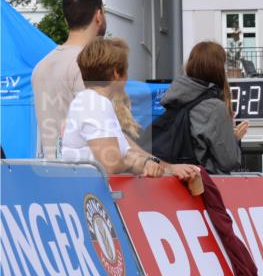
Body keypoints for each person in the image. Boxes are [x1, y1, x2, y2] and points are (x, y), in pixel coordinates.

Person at [58, 37, 198, 183]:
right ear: (116, 74)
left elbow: (131, 149)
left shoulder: (90, 100)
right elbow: (112, 163)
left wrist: (169, 168)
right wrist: (138, 164)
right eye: (126, 69)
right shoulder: (95, 103)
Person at [33, 0, 107, 158]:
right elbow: (102, 133)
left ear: (66, 21)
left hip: (48, 169)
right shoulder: (89, 66)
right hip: (85, 171)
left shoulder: (40, 67)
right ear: (99, 16)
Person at [157, 42, 247, 173]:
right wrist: (234, 139)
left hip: (170, 177)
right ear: (217, 69)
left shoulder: (175, 97)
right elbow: (229, 162)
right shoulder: (215, 108)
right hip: (198, 181)